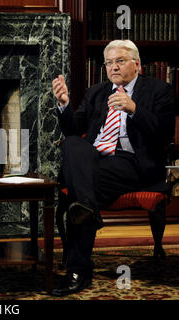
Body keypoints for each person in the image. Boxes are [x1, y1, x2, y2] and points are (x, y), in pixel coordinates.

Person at [51, 40, 175, 296]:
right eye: (108, 62)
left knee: (79, 191)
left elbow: (164, 135)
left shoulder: (158, 90)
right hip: (95, 160)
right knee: (73, 144)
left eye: (120, 61)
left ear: (137, 64)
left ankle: (77, 272)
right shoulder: (97, 91)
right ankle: (88, 212)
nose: (113, 67)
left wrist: (134, 110)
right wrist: (64, 104)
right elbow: (74, 129)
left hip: (132, 163)